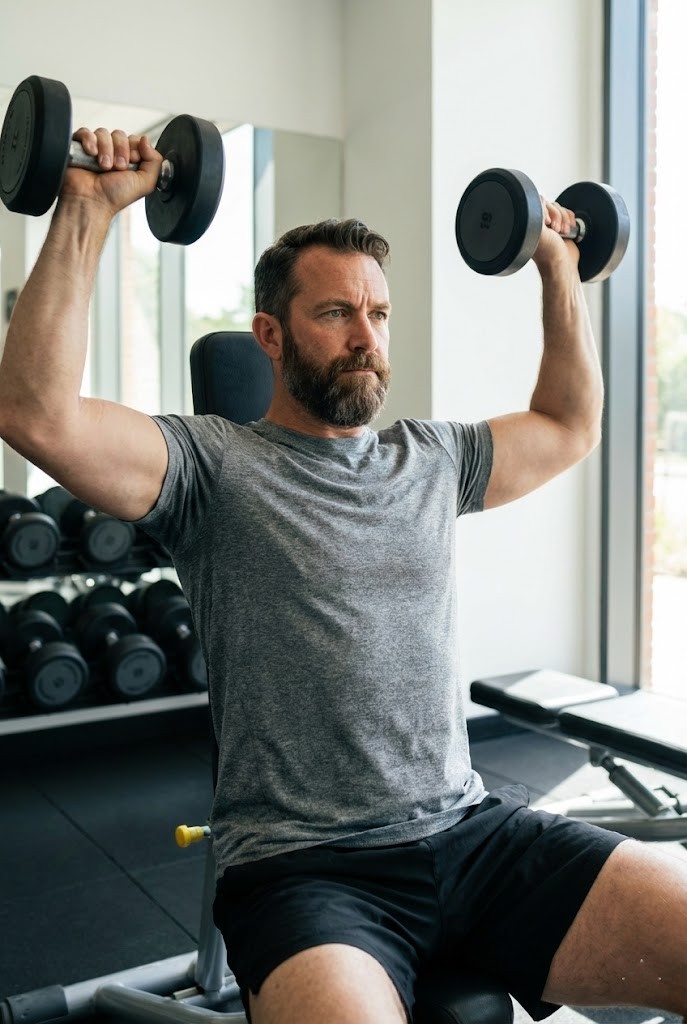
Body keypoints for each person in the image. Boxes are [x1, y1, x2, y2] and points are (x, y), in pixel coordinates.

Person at [0, 127, 685, 1024]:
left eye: (379, 315)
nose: (366, 338)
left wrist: (557, 263)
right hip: (305, 869)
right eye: (335, 315)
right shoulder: (210, 466)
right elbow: (36, 413)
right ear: (271, 335)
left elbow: (566, 423)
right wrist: (86, 210)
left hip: (472, 829)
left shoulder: (433, 458)